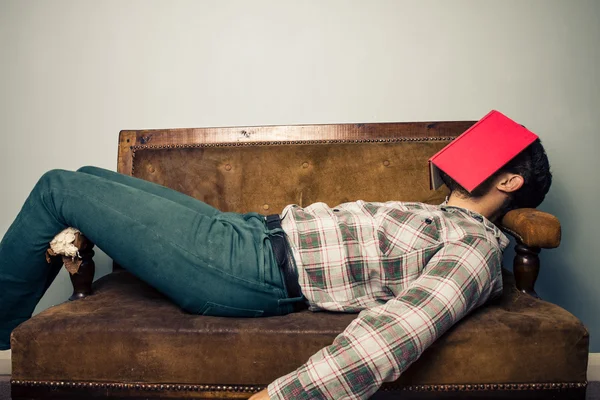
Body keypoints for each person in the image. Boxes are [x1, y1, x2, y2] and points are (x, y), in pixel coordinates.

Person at [0, 138, 551, 400]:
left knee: (58, 188)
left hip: (249, 267)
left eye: (488, 148)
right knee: (87, 175)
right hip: (248, 233)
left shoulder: (476, 247)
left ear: (508, 181)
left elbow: (403, 329)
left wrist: (282, 397)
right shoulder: (436, 214)